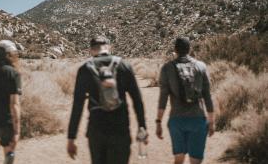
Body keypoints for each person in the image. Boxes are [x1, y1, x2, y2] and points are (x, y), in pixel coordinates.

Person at [67, 35, 147, 164]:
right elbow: (137, 100)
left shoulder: (85, 70)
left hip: (96, 131)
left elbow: (78, 105)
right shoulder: (124, 66)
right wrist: (142, 127)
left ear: (91, 50)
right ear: (109, 47)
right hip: (120, 130)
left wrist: (71, 137)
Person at [156, 37, 215, 164]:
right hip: (198, 120)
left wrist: (158, 122)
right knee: (195, 161)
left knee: (178, 160)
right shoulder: (201, 66)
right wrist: (211, 121)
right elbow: (207, 97)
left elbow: (163, 98)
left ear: (175, 50)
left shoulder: (167, 68)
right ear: (190, 49)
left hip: (176, 120)